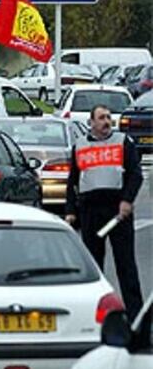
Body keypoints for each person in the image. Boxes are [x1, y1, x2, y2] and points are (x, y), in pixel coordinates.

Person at [65, 104, 144, 321]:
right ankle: (93, 315)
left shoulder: (122, 142)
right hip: (90, 210)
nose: (106, 121)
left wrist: (127, 200)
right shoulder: (80, 145)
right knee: (93, 264)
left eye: (109, 117)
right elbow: (73, 180)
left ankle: (136, 316)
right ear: (91, 122)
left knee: (125, 265)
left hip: (117, 210)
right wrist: (71, 211)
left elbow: (136, 175)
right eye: (101, 118)